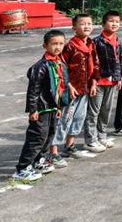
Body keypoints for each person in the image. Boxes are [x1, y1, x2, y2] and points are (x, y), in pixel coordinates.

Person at [12, 30, 70, 182]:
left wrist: (58, 106)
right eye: (54, 44)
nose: (58, 47)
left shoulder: (58, 62)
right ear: (45, 46)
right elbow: (33, 90)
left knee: (49, 135)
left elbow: (58, 87)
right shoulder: (41, 66)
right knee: (36, 138)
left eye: (61, 44)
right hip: (41, 107)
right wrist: (32, 109)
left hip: (52, 107)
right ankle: (22, 168)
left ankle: (39, 161)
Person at [50, 14, 99, 163]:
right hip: (70, 90)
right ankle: (53, 152)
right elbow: (62, 68)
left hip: (84, 89)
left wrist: (93, 82)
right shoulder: (69, 47)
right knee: (64, 119)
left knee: (78, 118)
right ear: (74, 28)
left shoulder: (90, 44)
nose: (87, 26)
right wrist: (69, 85)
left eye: (89, 23)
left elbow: (95, 64)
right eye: (82, 24)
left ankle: (69, 146)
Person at [85, 11, 122, 152]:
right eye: (111, 21)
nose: (114, 24)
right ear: (103, 24)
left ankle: (102, 136)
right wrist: (93, 80)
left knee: (106, 110)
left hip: (112, 82)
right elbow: (92, 63)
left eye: (117, 21)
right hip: (99, 81)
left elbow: (120, 61)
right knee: (94, 112)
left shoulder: (118, 41)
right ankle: (90, 140)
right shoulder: (96, 42)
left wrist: (119, 78)